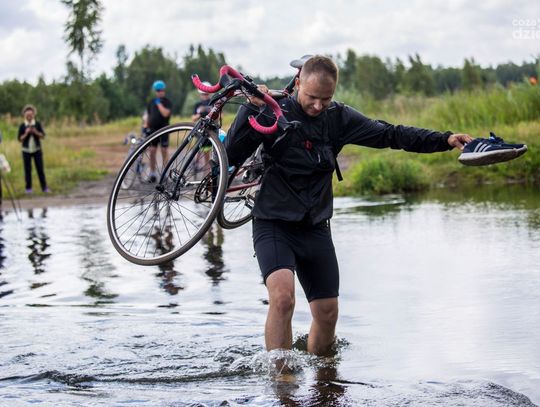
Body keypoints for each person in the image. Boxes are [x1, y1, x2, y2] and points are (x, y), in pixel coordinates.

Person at [225, 55, 473, 357]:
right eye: (312, 97)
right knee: (283, 299)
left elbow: (391, 134)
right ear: (298, 82)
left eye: (326, 99)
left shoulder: (338, 118)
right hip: (273, 222)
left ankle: (325, 377)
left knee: (327, 312)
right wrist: (251, 108)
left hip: (315, 225)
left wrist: (445, 140)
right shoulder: (273, 110)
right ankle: (282, 378)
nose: (318, 105)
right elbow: (231, 154)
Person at [144, 80, 172, 182]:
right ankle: (152, 173)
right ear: (155, 91)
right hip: (153, 130)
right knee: (152, 151)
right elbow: (148, 115)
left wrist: (159, 104)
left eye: (162, 90)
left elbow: (166, 114)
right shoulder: (151, 102)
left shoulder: (167, 102)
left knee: (164, 150)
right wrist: (145, 125)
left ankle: (165, 173)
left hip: (164, 129)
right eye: (158, 90)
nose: (160, 92)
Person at [17, 104, 50, 194]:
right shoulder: (22, 126)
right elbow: (19, 139)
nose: (29, 117)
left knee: (40, 169)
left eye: (30, 115)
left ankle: (44, 188)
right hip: (26, 150)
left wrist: (35, 132)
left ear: (33, 115)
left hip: (37, 150)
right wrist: (26, 133)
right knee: (27, 170)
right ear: (24, 115)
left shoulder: (37, 124)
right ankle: (28, 188)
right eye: (27, 115)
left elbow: (43, 136)